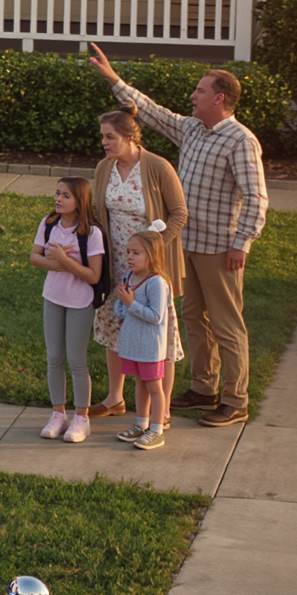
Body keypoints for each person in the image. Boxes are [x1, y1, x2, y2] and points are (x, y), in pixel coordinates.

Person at [90, 44, 268, 426]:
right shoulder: (192, 129)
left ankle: (236, 400)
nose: (192, 95)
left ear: (219, 98)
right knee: (192, 317)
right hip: (184, 244)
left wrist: (242, 242)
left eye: (200, 91)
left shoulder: (240, 140)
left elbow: (256, 197)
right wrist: (114, 80)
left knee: (226, 323)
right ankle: (205, 388)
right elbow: (152, 114)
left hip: (219, 247)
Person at [91, 102, 187, 426]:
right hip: (117, 263)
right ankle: (115, 398)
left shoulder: (158, 167)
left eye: (110, 137)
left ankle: (164, 409)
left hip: (150, 267)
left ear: (130, 137)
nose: (104, 143)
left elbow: (179, 213)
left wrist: (153, 248)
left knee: (159, 335)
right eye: (103, 137)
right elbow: (98, 212)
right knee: (114, 326)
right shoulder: (104, 167)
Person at [29, 177, 105, 444]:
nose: (58, 199)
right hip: (53, 298)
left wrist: (65, 260)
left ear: (80, 201)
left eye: (66, 196)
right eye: (57, 193)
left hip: (79, 302)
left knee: (76, 360)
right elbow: (34, 257)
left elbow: (93, 276)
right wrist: (58, 263)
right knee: (54, 358)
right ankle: (58, 414)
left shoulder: (91, 233)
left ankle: (81, 419)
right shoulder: (49, 224)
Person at [113, 227, 175, 452]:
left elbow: (156, 316)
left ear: (152, 255)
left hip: (150, 346)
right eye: (129, 251)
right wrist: (122, 303)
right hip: (133, 344)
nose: (129, 256)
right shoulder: (128, 277)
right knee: (139, 383)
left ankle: (157, 429)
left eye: (136, 253)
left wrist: (130, 303)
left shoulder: (156, 282)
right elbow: (121, 313)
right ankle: (141, 424)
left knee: (154, 387)